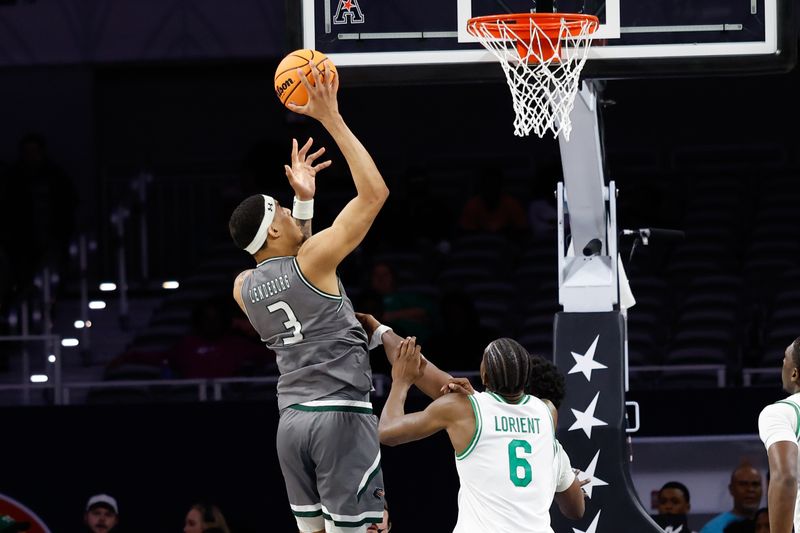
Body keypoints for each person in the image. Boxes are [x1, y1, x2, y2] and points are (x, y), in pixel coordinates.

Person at [229, 63, 444, 533]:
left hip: (291, 426)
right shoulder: (313, 262)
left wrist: (302, 201)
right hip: (339, 418)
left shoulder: (243, 287)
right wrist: (331, 118)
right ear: (276, 228)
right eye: (283, 209)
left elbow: (291, 255)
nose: (290, 209)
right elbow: (374, 195)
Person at [379, 336, 585, 532]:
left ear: (484, 376)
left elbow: (387, 432)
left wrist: (401, 381)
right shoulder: (547, 413)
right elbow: (576, 510)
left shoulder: (466, 409)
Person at [758, 337, 800, 533]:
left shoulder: (783, 411)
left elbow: (785, 477)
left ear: (794, 373)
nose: (782, 363)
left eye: (785, 358)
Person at [699, 464, 763, 533]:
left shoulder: (773, 524)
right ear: (731, 489)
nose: (750, 489)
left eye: (755, 484)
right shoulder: (712, 529)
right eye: (743, 484)